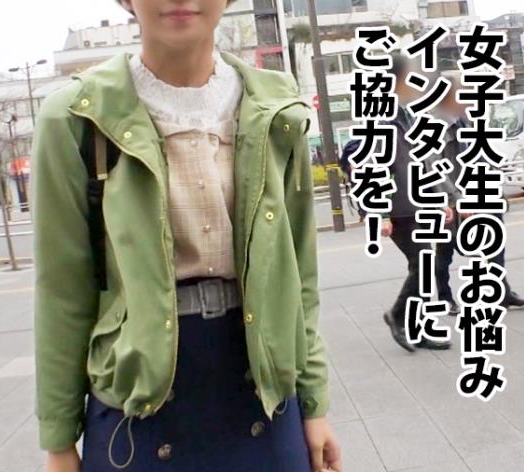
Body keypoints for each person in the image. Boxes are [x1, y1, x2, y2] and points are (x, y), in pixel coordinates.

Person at [32, 1, 342, 471]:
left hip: (265, 399)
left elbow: (299, 273)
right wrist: (59, 443)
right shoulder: (77, 116)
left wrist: (313, 404)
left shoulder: (276, 105)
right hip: (136, 407)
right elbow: (62, 290)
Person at [434, 76, 524, 311]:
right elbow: (435, 169)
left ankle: (502, 292)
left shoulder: (466, 121)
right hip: (452, 199)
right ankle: (444, 297)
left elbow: (479, 155)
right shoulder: (436, 126)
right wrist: (454, 200)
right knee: (446, 249)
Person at [379, 55, 453, 352]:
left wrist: (440, 199)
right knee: (424, 263)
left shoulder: (408, 116)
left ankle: (415, 326)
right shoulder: (383, 119)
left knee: (425, 265)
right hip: (398, 210)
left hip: (417, 205)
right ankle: (398, 315)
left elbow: (424, 162)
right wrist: (380, 213)